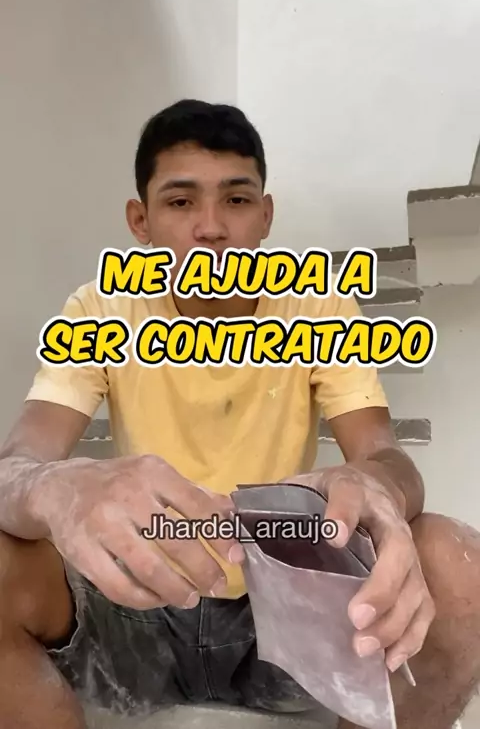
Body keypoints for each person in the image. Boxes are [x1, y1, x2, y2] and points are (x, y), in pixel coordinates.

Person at [0, 99, 478, 729]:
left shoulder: (318, 309)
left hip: (288, 610)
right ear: (140, 221)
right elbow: (15, 466)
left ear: (265, 215)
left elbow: (384, 456)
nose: (211, 228)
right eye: (180, 201)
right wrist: (54, 487)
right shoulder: (99, 311)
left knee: (456, 561)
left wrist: (375, 484)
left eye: (236, 199)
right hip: (136, 608)